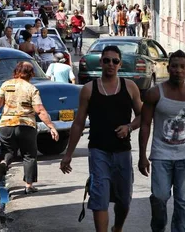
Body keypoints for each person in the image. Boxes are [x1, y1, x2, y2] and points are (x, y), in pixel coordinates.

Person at [60, 46, 142, 232]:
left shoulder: (130, 87)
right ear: (101, 63)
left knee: (124, 200)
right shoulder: (89, 89)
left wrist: (128, 127)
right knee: (99, 198)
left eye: (115, 61)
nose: (110, 64)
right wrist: (68, 154)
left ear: (120, 64)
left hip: (122, 152)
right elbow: (79, 123)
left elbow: (142, 116)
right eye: (107, 60)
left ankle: (118, 228)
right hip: (98, 152)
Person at [138, 50, 185, 232]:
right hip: (161, 156)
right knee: (159, 197)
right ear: (168, 68)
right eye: (174, 66)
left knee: (184, 203)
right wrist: (142, 156)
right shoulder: (155, 94)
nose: (178, 70)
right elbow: (145, 125)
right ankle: (158, 227)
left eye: (182, 67)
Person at [0, 62, 59, 192]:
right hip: (26, 125)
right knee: (29, 155)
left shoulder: (5, 85)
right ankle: (29, 185)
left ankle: (4, 163)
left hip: (6, 124)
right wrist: (51, 127)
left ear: (16, 71)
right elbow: (39, 110)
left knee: (8, 151)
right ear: (31, 74)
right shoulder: (31, 89)